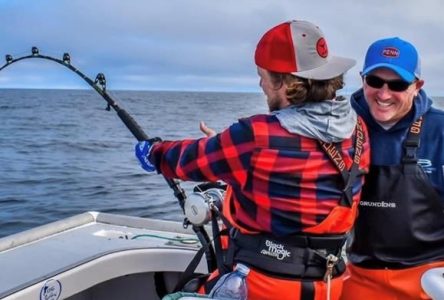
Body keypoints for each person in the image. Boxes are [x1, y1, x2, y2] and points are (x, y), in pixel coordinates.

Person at [136, 20, 370, 300]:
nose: (260, 84)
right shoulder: (358, 129)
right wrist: (234, 157)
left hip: (264, 286)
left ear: (285, 82)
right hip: (328, 285)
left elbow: (186, 161)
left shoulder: (256, 137)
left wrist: (153, 152)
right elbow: (304, 184)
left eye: (263, 76)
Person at [341, 37, 444, 300]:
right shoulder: (340, 124)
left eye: (397, 84)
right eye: (375, 82)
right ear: (362, 79)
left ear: (417, 86)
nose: (384, 94)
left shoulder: (439, 129)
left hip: (429, 276)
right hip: (360, 275)